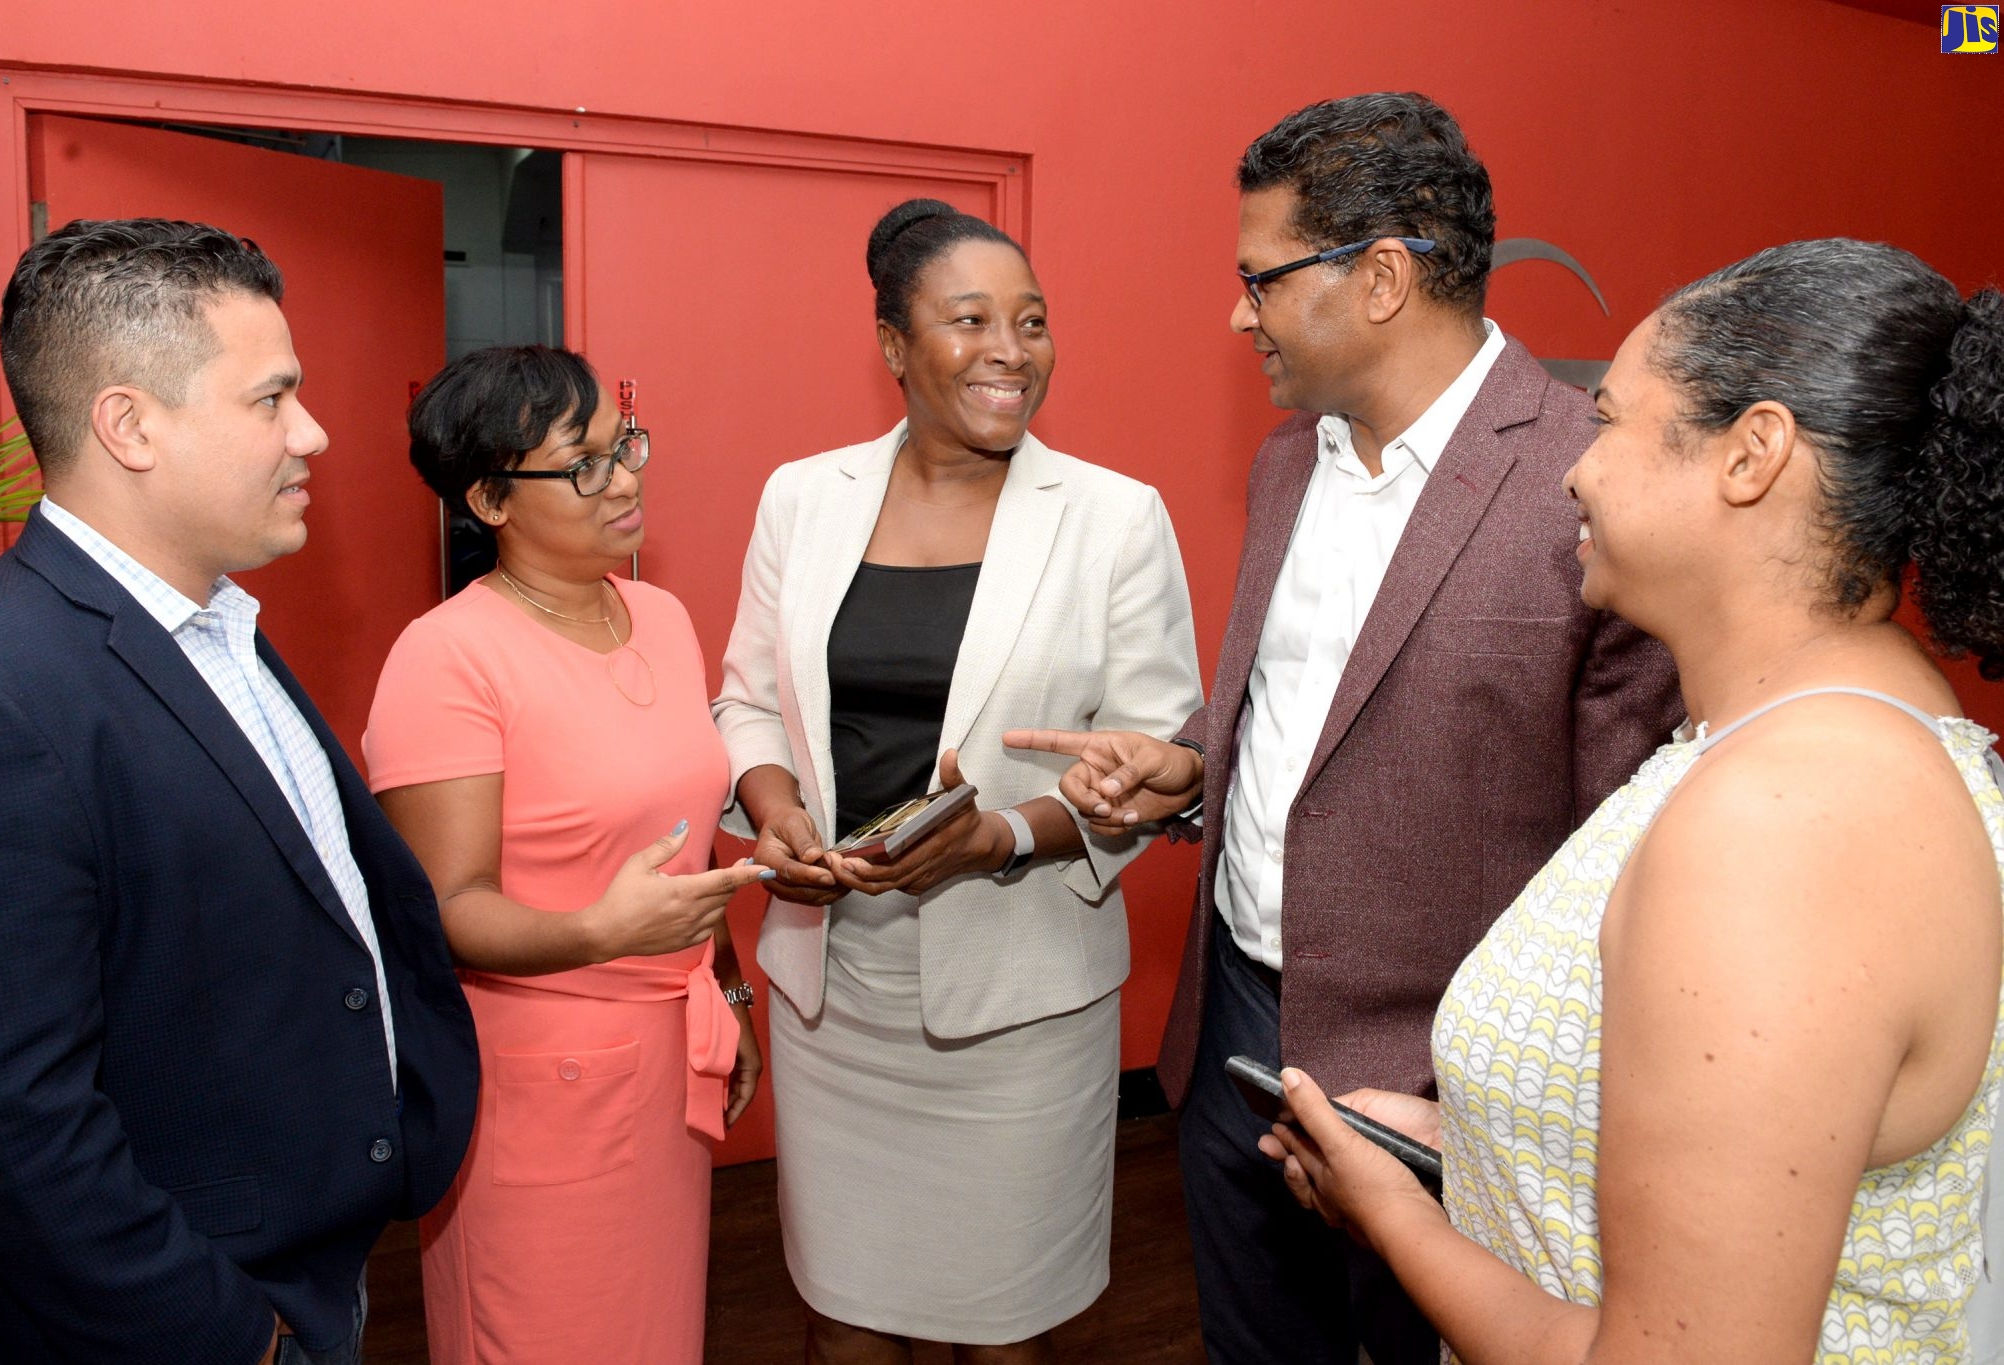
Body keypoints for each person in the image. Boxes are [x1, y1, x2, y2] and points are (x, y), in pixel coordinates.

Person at [1006, 94, 1680, 1364]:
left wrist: (1488, 1107)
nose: (1235, 312)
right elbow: (1300, 711)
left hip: (1436, 1092)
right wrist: (1190, 763)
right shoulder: (1285, 463)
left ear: (1380, 278)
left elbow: (1624, 850)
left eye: (1256, 278)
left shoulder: (1581, 483)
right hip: (1230, 1043)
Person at [1263, 237, 2004, 1364]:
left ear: (1750, 453)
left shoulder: (1783, 822)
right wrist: (1479, 1146)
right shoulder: (1789, 735)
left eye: (1607, 420)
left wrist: (1391, 1213)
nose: (1576, 467)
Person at [0, 218, 479, 1365]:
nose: (314, 432)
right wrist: (240, 1338)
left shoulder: (214, 627)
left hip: (306, 1270)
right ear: (129, 427)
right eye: (270, 399)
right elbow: (7, 1125)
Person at [711, 198, 1201, 1363]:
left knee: (1003, 1329)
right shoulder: (801, 498)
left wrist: (1008, 837)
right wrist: (776, 817)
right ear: (892, 345)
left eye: (1030, 322)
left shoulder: (1113, 518)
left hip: (1018, 996)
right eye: (969, 319)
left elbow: (1153, 750)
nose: (1009, 351)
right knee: (845, 1317)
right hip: (835, 991)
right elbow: (747, 701)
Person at [363, 345, 771, 1365]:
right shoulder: (446, 656)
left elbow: (680, 840)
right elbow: (444, 906)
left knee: (652, 1335)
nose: (625, 476)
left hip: (663, 1061)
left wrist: (724, 991)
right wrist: (597, 931)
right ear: (490, 499)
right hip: (534, 1092)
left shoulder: (663, 618)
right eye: (582, 462)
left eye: (622, 444)